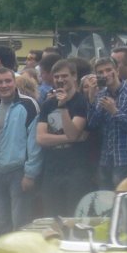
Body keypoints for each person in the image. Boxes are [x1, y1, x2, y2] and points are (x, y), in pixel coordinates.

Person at [0, 66, 41, 234]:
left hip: (19, 172)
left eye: (8, 81)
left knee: (20, 223)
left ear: (14, 82)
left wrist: (30, 174)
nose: (4, 85)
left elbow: (34, 143)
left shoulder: (29, 105)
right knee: (2, 224)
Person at [34, 58, 91, 216]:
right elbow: (41, 138)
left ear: (74, 76)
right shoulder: (48, 104)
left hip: (75, 169)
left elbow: (72, 132)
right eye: (57, 76)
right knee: (52, 216)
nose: (60, 80)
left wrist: (63, 107)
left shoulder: (81, 102)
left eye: (64, 76)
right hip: (52, 169)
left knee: (72, 216)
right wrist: (71, 138)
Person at [84, 56, 127, 189]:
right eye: (100, 72)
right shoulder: (100, 94)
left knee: (124, 196)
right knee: (106, 198)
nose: (105, 74)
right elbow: (92, 125)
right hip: (106, 159)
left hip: (126, 159)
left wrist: (115, 112)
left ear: (117, 71)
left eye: (108, 70)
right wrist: (91, 99)